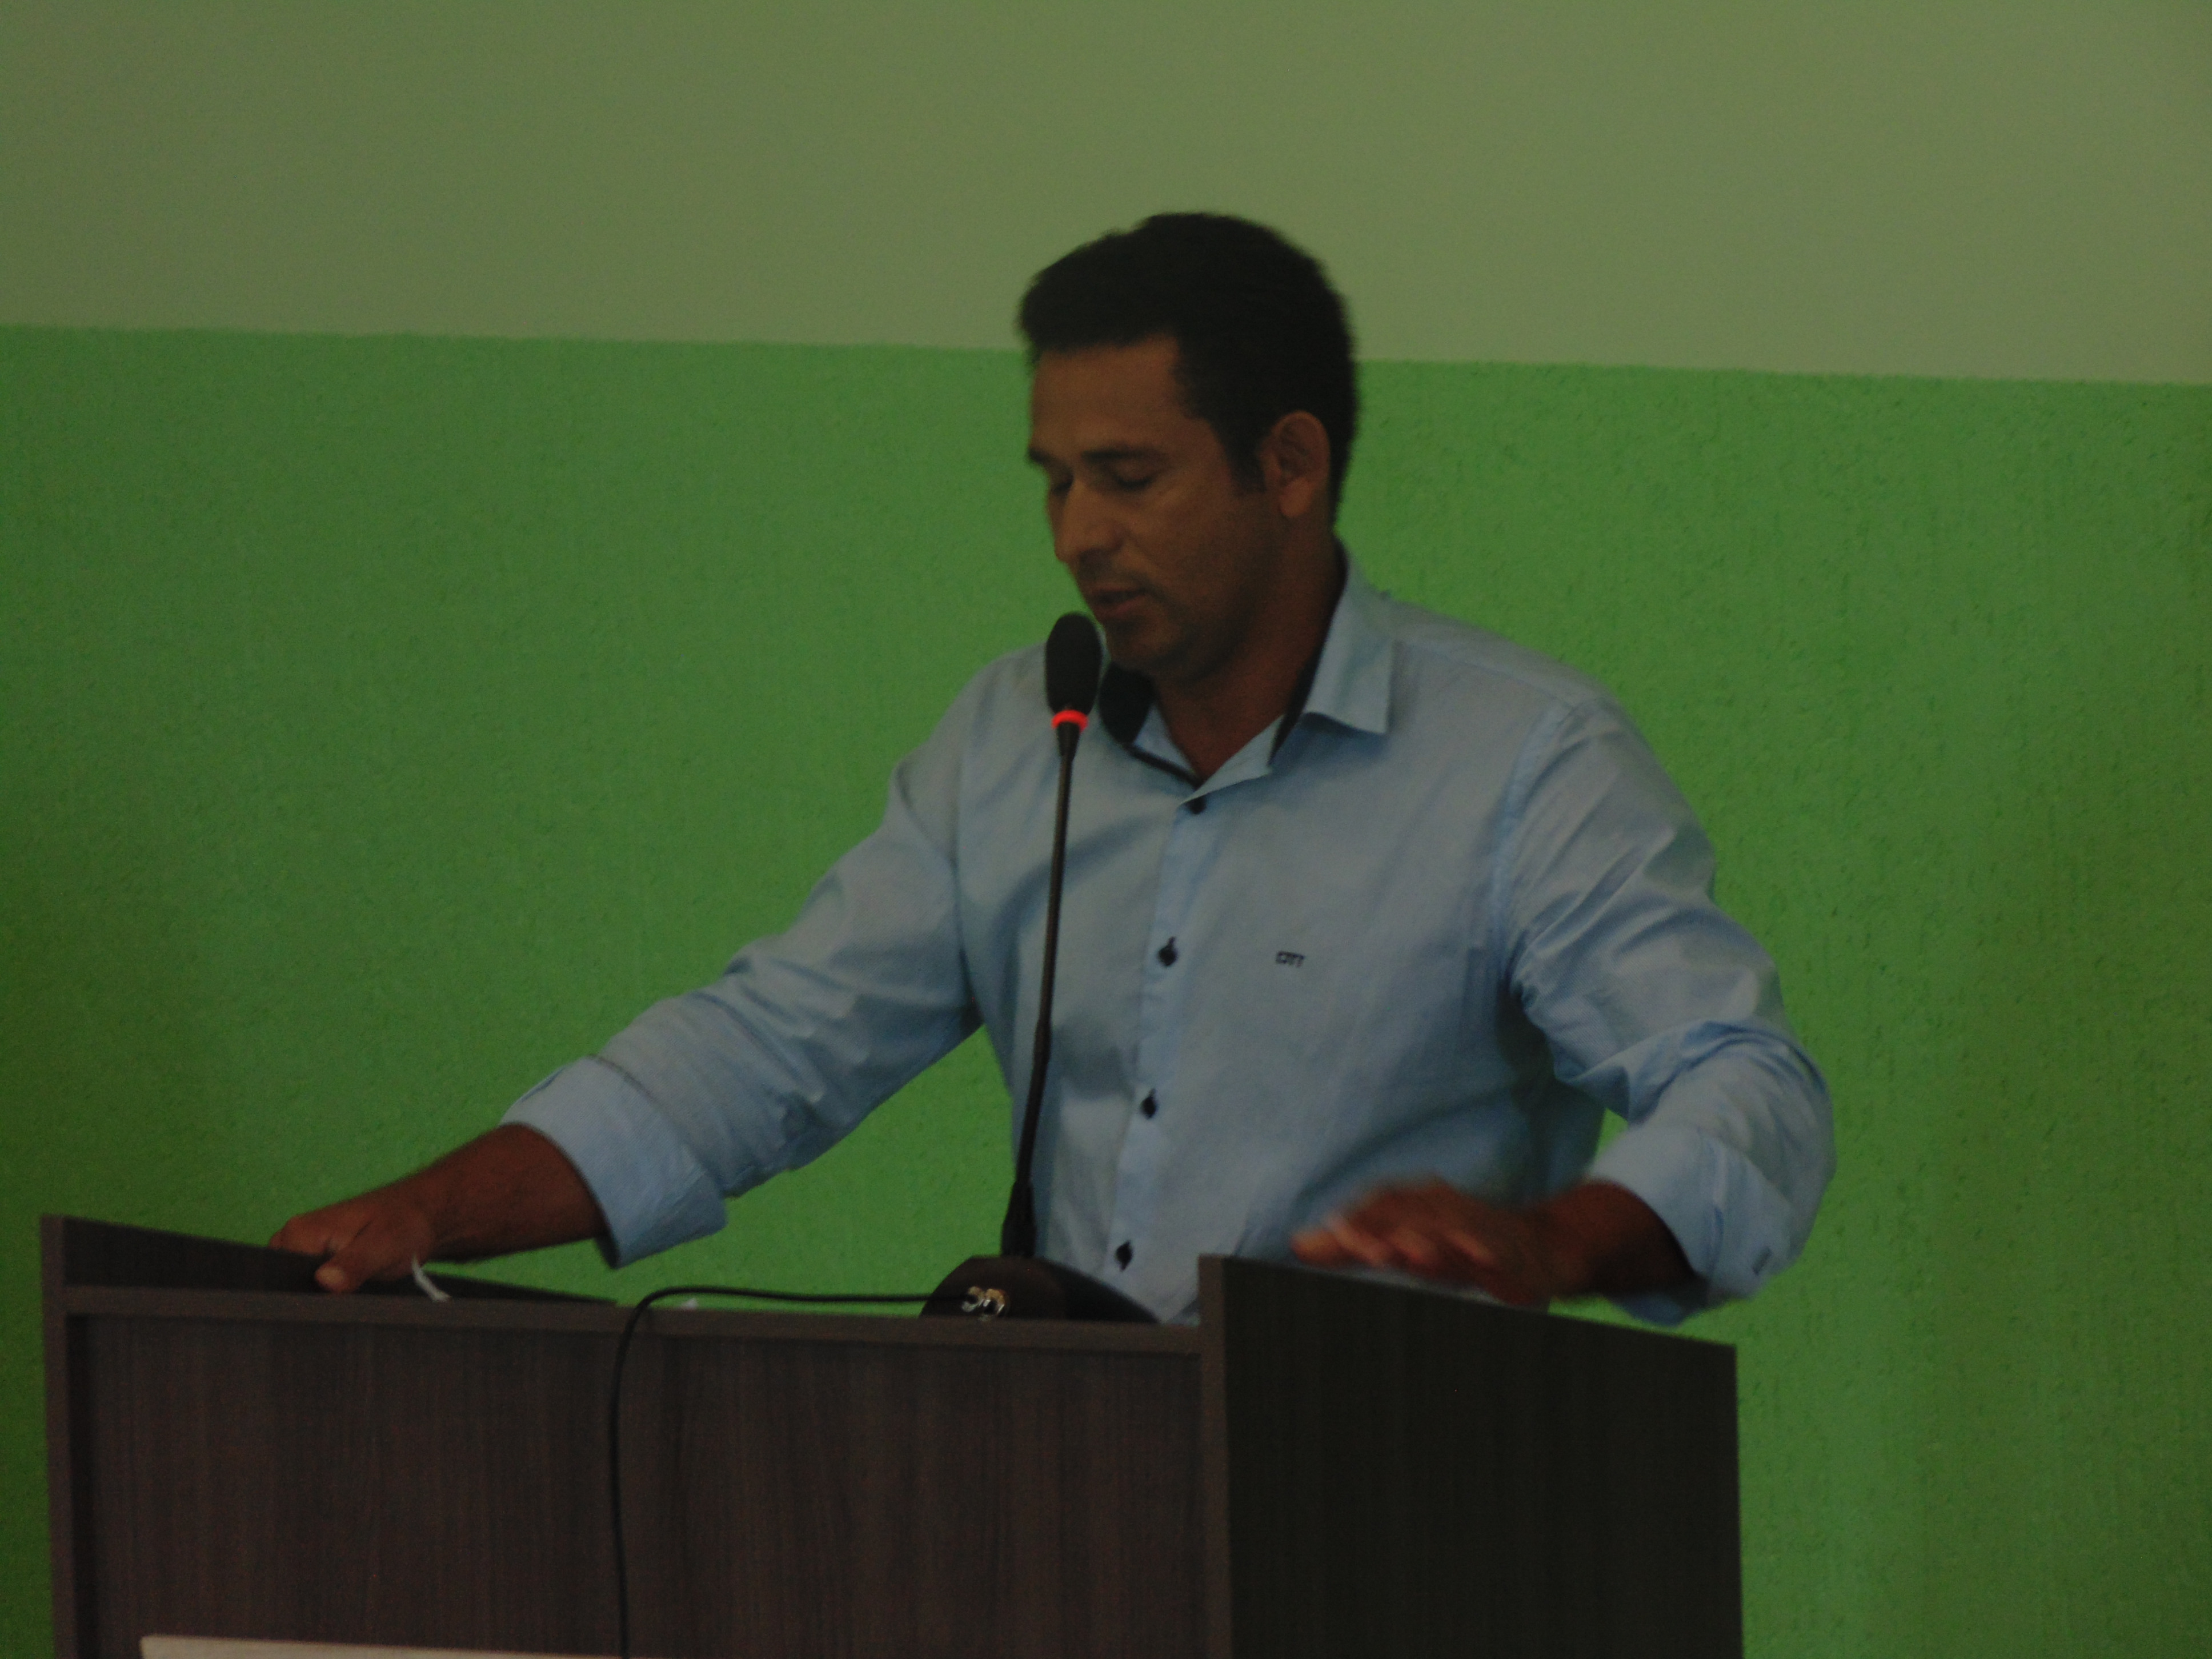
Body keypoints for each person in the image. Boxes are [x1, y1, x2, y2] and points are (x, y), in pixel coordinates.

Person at [276, 214, 1833, 1324]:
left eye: (1130, 477)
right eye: (1057, 480)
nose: (1080, 533)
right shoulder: (1017, 742)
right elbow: (769, 1049)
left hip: (1385, 1508)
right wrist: (431, 1210)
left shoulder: (1522, 760)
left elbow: (1747, 1085)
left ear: (1290, 464)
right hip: (1069, 1493)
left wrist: (1555, 1240)